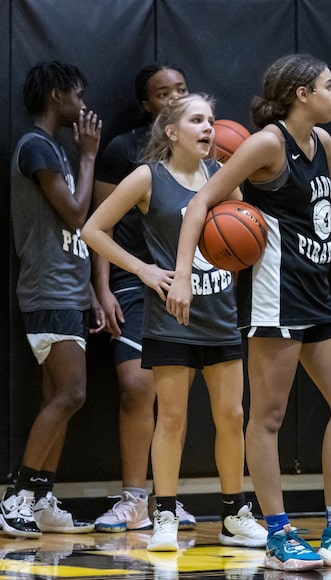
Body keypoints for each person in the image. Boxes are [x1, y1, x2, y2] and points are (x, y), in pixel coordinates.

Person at [165, 54, 331, 570]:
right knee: (267, 417)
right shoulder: (267, 143)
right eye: (329, 87)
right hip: (276, 294)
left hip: (317, 292)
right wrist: (181, 274)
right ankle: (279, 534)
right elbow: (201, 204)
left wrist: (317, 215)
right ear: (302, 94)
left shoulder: (323, 142)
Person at [81, 93, 267, 551]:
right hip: (171, 317)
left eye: (211, 120)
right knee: (172, 419)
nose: (208, 127)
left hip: (220, 314)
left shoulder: (222, 177)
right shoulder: (148, 176)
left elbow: (246, 228)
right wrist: (143, 269)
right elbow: (92, 230)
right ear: (171, 131)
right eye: (197, 120)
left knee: (232, 416)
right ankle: (163, 514)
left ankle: (233, 515)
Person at [91, 63, 196, 534]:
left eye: (181, 89)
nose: (173, 97)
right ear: (147, 105)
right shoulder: (123, 150)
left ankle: (168, 500)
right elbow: (100, 223)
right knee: (137, 387)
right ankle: (134, 499)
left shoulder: (207, 151)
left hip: (188, 284)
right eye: (162, 92)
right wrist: (102, 287)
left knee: (177, 397)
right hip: (136, 279)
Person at [2, 61, 104, 539]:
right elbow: (76, 215)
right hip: (47, 289)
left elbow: (72, 239)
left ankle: (40, 498)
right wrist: (89, 156)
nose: (83, 107)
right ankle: (15, 497)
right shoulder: (37, 146)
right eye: (77, 96)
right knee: (71, 393)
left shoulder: (53, 147)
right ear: (57, 95)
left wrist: (90, 292)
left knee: (57, 395)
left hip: (67, 288)